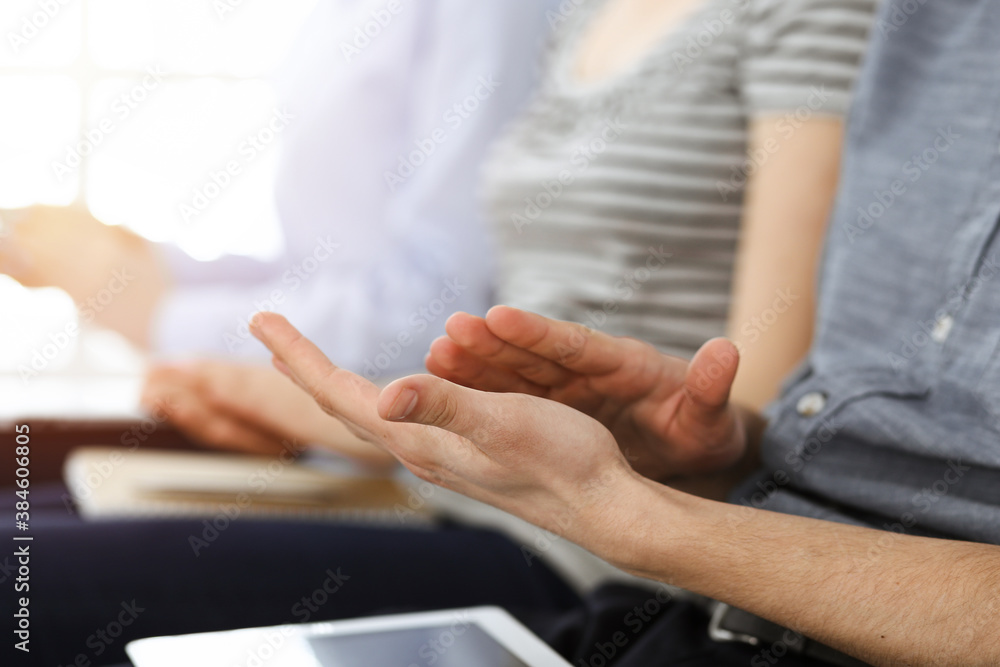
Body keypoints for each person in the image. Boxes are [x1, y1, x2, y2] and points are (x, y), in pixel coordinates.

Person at [244, 0, 1000, 663]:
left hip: (630, 563)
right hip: (695, 599)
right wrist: (711, 458)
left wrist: (645, 514)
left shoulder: (828, 19)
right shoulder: (935, 25)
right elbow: (821, 445)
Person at [0, 0, 559, 378]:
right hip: (328, 451)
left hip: (421, 483)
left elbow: (447, 315)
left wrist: (161, 315)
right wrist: (138, 264)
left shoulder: (490, 14)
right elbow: (325, 267)